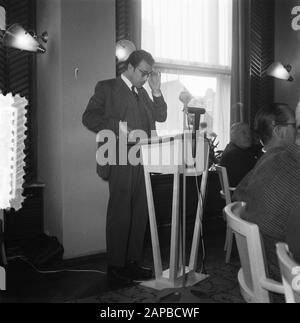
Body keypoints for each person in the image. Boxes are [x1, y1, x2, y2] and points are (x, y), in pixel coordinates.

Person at [82, 50, 167, 285]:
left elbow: (161, 116)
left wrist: (156, 90)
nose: (145, 77)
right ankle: (116, 265)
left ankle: (132, 262)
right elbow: (88, 117)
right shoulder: (107, 87)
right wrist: (116, 126)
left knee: (140, 212)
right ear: (129, 67)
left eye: (149, 73)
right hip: (119, 157)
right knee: (120, 212)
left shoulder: (143, 92)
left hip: (143, 159)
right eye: (143, 73)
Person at [233, 103, 300, 288]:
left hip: (260, 259)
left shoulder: (269, 158)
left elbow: (237, 196)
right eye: (295, 126)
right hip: (283, 271)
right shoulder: (288, 162)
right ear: (280, 131)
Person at [220, 122, 259, 187]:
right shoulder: (234, 155)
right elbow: (249, 180)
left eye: (249, 133)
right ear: (233, 136)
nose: (249, 136)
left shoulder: (235, 149)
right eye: (244, 133)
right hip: (242, 194)